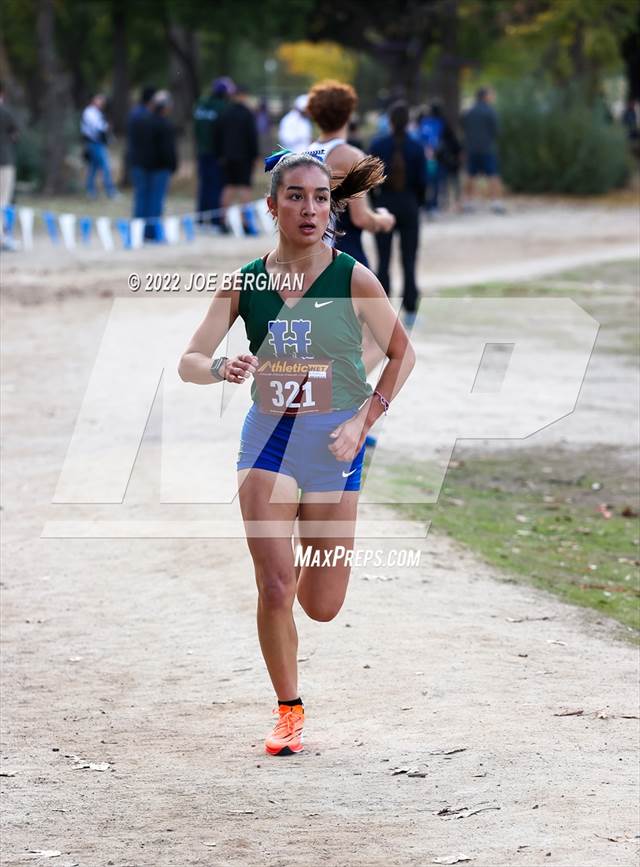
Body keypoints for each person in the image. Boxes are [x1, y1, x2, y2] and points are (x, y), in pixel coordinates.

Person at [177, 151, 416, 756]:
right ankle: (288, 709)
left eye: (318, 197)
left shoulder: (353, 277)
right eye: (295, 197)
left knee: (323, 605)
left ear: (329, 207)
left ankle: (310, 551)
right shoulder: (246, 281)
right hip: (268, 441)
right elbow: (189, 360)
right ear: (272, 206)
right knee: (276, 585)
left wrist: (365, 420)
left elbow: (401, 353)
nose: (309, 208)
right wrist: (219, 365)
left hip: (336, 443)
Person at [306, 80, 395, 269]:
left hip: (309, 256)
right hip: (344, 253)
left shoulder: (304, 155)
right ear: (348, 114)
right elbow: (360, 217)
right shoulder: (352, 157)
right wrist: (383, 220)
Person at [369, 100, 427, 330]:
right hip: (409, 203)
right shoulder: (417, 147)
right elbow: (423, 182)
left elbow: (369, 180)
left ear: (390, 122)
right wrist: (417, 203)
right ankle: (411, 311)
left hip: (385, 203)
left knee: (383, 260)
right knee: (409, 260)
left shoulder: (378, 145)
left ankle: (382, 313)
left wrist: (375, 204)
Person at [215, 84, 259, 229]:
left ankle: (222, 221)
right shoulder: (247, 113)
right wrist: (255, 155)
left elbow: (218, 135)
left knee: (228, 187)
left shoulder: (225, 112)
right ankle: (245, 223)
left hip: (227, 157)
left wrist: (220, 154)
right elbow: (252, 137)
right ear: (244, 96)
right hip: (244, 156)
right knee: (245, 188)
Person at [138, 90, 178, 241]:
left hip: (143, 166)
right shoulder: (165, 125)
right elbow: (168, 149)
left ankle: (139, 231)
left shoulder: (142, 121)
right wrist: (172, 165)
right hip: (160, 168)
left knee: (142, 200)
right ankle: (152, 233)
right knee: (156, 201)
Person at [193, 77, 231, 227]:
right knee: (216, 186)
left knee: (204, 184)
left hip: (202, 150)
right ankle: (215, 220)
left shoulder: (201, 104)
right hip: (217, 153)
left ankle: (201, 218)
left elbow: (196, 128)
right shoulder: (223, 107)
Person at [461, 86, 505, 213]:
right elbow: (497, 131)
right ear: (485, 96)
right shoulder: (490, 111)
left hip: (471, 148)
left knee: (470, 175)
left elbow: (464, 128)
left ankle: (468, 203)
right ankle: (496, 202)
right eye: (491, 95)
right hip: (487, 148)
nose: (493, 97)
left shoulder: (468, 112)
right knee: (493, 175)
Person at [128, 86, 156, 226]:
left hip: (137, 160)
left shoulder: (135, 113)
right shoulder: (144, 115)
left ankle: (141, 228)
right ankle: (141, 229)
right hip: (142, 161)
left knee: (142, 195)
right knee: (143, 195)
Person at [81, 93, 117, 198]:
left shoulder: (98, 112)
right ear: (93, 100)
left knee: (93, 168)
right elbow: (97, 127)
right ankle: (110, 191)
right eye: (99, 100)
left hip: (98, 142)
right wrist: (106, 127)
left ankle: (90, 190)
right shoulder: (89, 112)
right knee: (105, 166)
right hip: (94, 142)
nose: (101, 103)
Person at [0, 81, 19, 251]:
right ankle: (2, 237)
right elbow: (16, 135)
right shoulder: (6, 112)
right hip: (4, 162)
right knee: (3, 200)